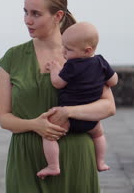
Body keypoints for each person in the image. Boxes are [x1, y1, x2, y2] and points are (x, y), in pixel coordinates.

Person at [0, 0, 116, 192]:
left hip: (76, 158)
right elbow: (4, 118)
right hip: (26, 161)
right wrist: (35, 124)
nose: (27, 20)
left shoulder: (81, 56)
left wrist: (68, 112)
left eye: (36, 14)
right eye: (25, 12)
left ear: (58, 16)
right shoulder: (12, 58)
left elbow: (108, 107)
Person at [37, 22, 119, 179]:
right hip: (91, 119)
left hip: (69, 118)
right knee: (99, 135)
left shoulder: (72, 65)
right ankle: (101, 162)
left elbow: (58, 83)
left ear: (87, 50)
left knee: (49, 135)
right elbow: (114, 81)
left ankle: (53, 166)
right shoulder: (101, 62)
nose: (63, 52)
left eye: (68, 49)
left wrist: (54, 69)